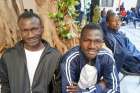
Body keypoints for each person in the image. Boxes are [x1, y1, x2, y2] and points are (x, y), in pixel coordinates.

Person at [0, 9, 61, 93]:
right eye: (25, 30)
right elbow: (5, 84)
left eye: (34, 29)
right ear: (20, 32)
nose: (30, 35)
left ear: (42, 29)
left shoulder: (54, 55)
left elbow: (60, 85)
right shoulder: (8, 56)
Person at [61, 23, 120, 93]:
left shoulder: (107, 58)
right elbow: (67, 91)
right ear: (79, 41)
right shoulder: (70, 60)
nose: (91, 46)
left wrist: (84, 91)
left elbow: (114, 89)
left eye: (97, 41)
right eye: (87, 40)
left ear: (102, 43)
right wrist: (100, 86)